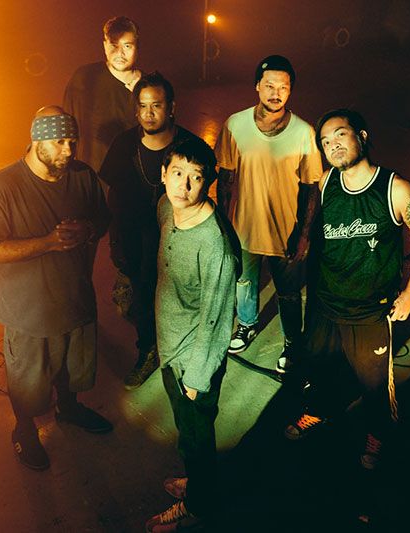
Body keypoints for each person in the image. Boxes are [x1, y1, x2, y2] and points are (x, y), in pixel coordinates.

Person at [284, 109, 410, 471]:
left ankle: (379, 433)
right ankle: (319, 410)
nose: (332, 145)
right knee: (318, 368)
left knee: (374, 386)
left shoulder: (395, 189)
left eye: (340, 134)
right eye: (325, 141)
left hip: (370, 310)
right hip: (325, 305)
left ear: (362, 136)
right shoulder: (325, 184)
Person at [0, 106, 112, 472]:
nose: (69, 150)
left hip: (75, 297)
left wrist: (88, 230)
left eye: (73, 142)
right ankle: (24, 430)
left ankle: (69, 408)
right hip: (29, 309)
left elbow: (102, 218)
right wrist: (48, 242)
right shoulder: (1, 188)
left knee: (73, 367)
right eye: (60, 142)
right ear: (37, 141)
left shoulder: (82, 176)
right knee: (28, 381)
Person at [145, 137, 238, 532]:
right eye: (177, 173)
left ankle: (199, 505)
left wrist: (197, 379)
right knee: (188, 432)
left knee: (196, 436)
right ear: (163, 174)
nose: (183, 186)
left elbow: (217, 319)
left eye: (195, 177)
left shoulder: (215, 245)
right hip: (171, 348)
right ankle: (199, 482)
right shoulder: (167, 208)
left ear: (208, 182)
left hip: (193, 360)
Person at [215, 54, 323, 373]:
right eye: (270, 86)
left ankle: (292, 343)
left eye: (283, 87)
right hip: (244, 228)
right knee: (244, 282)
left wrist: (304, 235)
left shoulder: (304, 132)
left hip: (285, 232)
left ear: (291, 90)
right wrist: (224, 226)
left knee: (288, 294)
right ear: (257, 87)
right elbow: (226, 178)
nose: (276, 93)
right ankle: (247, 325)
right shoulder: (235, 125)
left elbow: (311, 187)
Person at [99, 72, 199, 390]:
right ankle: (148, 352)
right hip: (135, 241)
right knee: (141, 301)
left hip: (178, 241)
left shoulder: (190, 146)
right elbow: (112, 196)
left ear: (171, 107)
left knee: (180, 299)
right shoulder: (124, 145)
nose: (149, 113)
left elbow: (204, 201)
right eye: (143, 106)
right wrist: (116, 243)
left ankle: (180, 352)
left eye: (156, 105)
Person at [63, 15, 142, 174]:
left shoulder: (149, 87)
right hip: (90, 175)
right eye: (114, 45)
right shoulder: (84, 79)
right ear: (105, 46)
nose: (120, 53)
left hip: (133, 177)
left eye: (127, 46)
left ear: (137, 46)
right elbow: (67, 126)